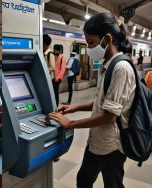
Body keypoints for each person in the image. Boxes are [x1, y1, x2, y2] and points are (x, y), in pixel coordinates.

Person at [46, 13, 134, 188]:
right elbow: (103, 103)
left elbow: (109, 116)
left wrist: (70, 124)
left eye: (91, 42)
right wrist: (75, 107)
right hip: (97, 141)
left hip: (112, 146)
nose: (88, 48)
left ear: (107, 39)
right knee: (83, 180)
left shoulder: (121, 69)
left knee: (113, 184)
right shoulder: (106, 65)